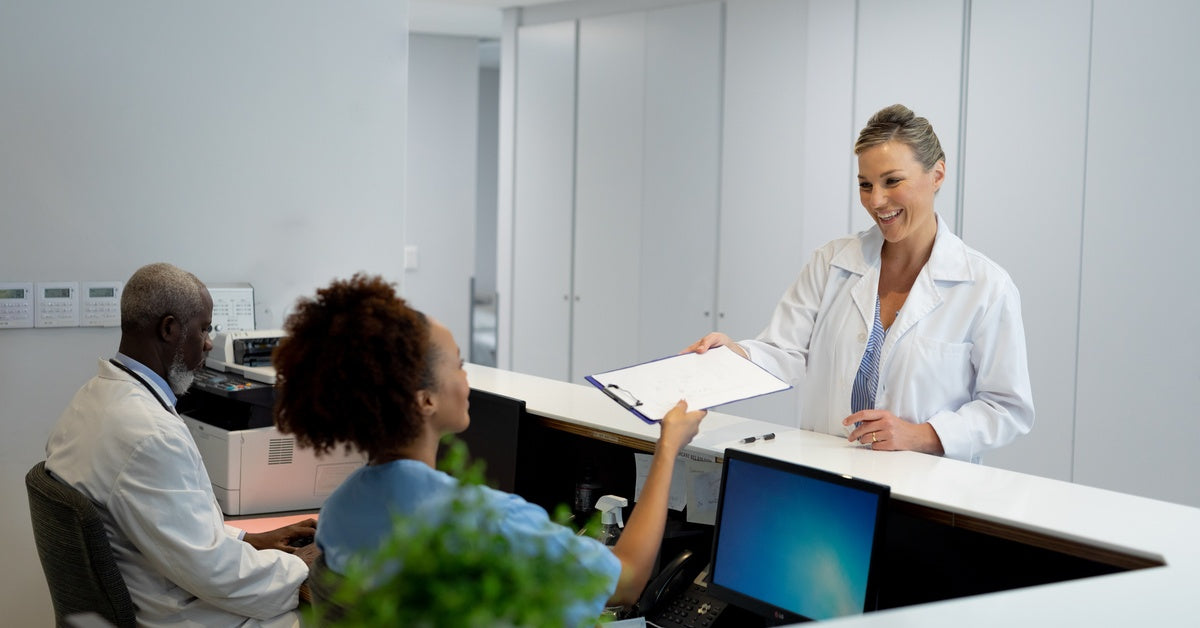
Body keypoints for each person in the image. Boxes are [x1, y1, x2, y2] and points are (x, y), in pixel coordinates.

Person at [272, 274, 707, 625]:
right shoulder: (483, 520)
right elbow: (627, 580)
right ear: (425, 400)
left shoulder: (340, 508)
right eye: (459, 364)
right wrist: (667, 448)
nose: (467, 379)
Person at [686, 104, 1033, 464]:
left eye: (892, 181)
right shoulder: (832, 262)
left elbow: (1007, 407)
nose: (877, 201)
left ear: (937, 174)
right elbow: (782, 351)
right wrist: (734, 355)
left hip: (925, 493)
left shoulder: (986, 286)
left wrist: (922, 435)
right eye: (865, 185)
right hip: (829, 477)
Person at [44, 262, 316, 627]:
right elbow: (213, 571)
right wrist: (298, 566)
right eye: (204, 328)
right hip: (184, 613)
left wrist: (248, 538)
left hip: (159, 588)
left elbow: (176, 528)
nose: (209, 342)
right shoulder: (148, 433)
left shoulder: (92, 399)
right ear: (170, 329)